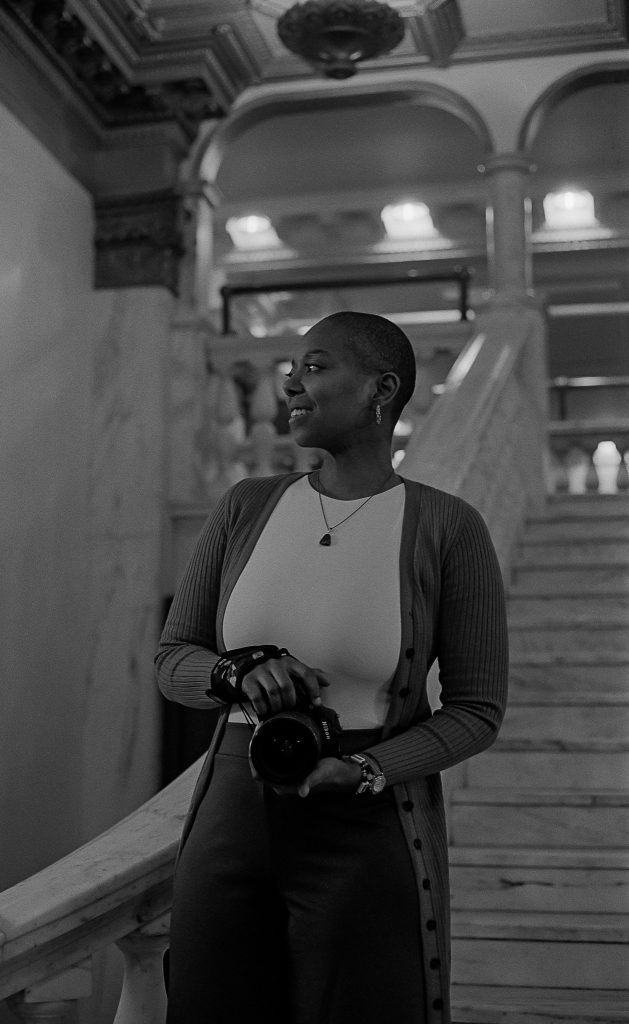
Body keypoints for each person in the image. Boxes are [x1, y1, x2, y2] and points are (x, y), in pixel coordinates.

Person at [155, 310, 509, 1024]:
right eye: (292, 368)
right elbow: (172, 658)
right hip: (231, 808)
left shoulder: (446, 527)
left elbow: (476, 711)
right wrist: (233, 673)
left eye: (315, 366)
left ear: (382, 389)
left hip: (361, 819)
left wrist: (368, 770)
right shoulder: (245, 507)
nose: (290, 380)